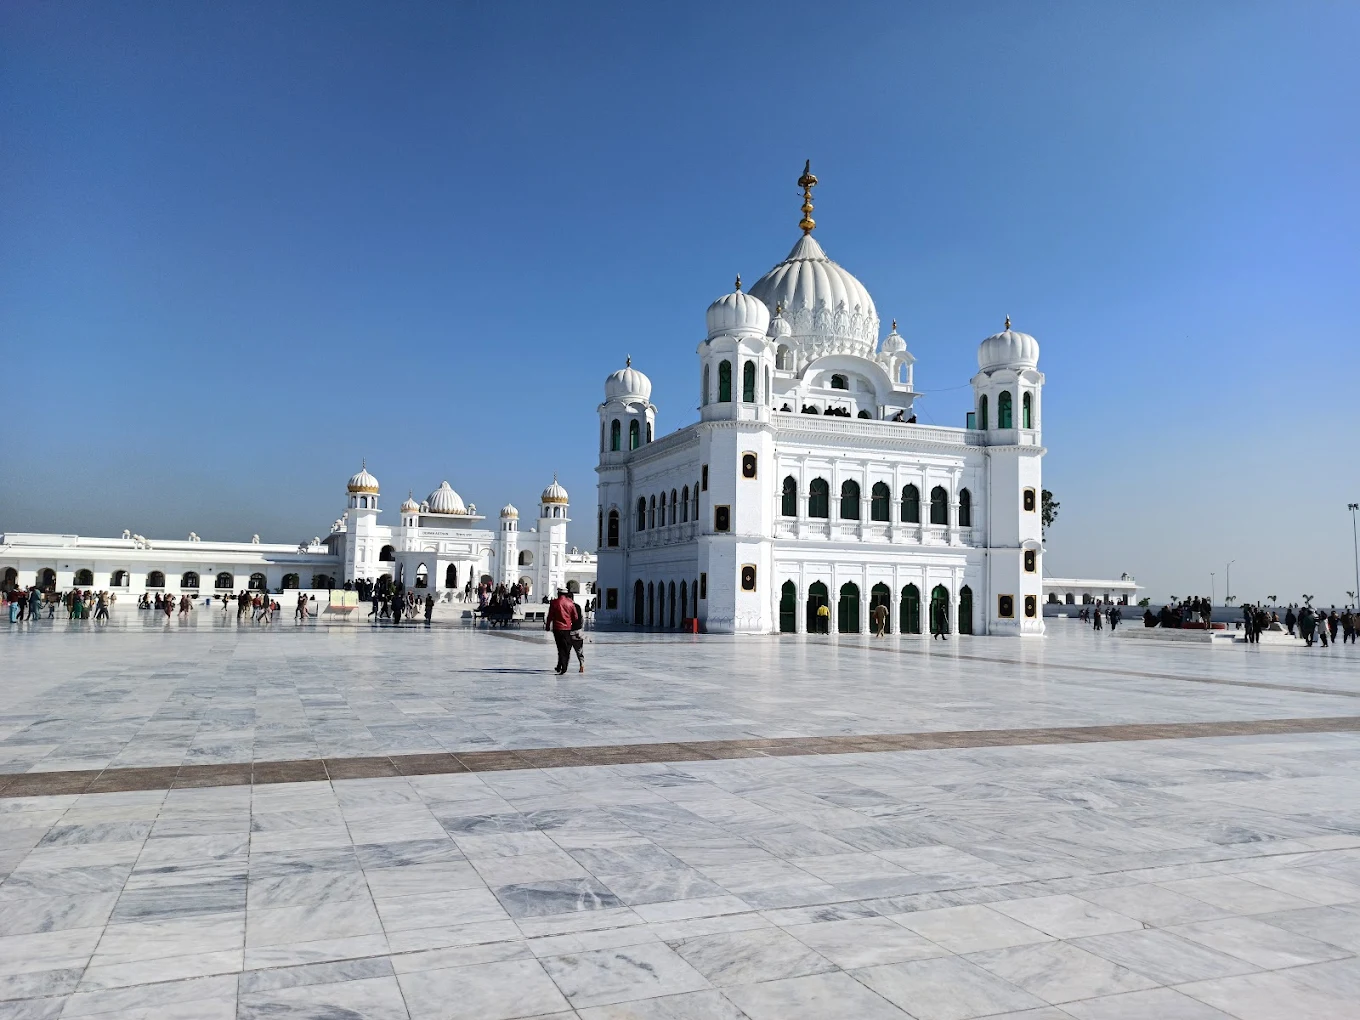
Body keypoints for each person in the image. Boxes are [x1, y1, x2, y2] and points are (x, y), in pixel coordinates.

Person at [546, 588, 576, 674]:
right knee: (566, 647)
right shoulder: (570, 603)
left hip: (557, 628)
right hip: (567, 628)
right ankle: (564, 666)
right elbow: (575, 617)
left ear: (558, 593)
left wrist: (548, 626)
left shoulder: (554, 602)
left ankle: (561, 665)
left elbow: (550, 616)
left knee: (560, 647)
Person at [569, 596, 585, 673]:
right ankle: (581, 664)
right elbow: (582, 618)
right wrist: (580, 628)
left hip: (568, 632)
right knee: (579, 650)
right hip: (578, 632)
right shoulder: (578, 606)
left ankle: (563, 666)